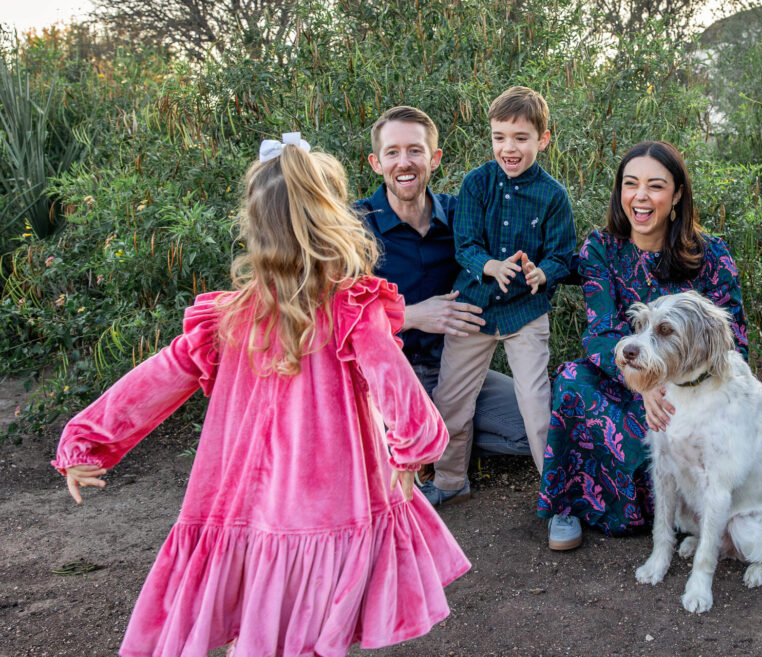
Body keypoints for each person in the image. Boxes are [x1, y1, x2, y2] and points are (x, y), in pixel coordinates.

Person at [52, 134, 470, 657]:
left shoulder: (228, 318)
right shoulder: (353, 309)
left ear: (256, 228)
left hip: (243, 503)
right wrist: (412, 450)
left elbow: (157, 377)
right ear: (332, 221)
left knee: (259, 616)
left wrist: (87, 441)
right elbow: (399, 388)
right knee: (308, 627)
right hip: (330, 506)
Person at [537, 140, 748, 551]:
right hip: (626, 379)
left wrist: (670, 386)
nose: (641, 197)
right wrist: (642, 384)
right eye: (630, 184)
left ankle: (688, 513)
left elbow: (733, 340)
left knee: (677, 427)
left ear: (677, 195)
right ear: (620, 192)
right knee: (570, 380)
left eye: (655, 185)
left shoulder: (712, 255)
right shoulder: (600, 248)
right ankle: (570, 506)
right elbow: (600, 331)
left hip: (690, 391)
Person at [355, 106, 531, 473]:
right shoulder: (354, 227)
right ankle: (418, 440)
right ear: (376, 162)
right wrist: (412, 315)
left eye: (415, 150)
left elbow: (510, 249)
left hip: (455, 370)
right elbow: (330, 316)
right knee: (354, 444)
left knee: (532, 428)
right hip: (386, 375)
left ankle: (433, 440)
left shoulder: (460, 214)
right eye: (392, 152)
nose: (404, 162)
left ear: (434, 158)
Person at [425, 86, 577, 505]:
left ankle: (557, 496)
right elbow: (465, 245)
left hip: (525, 312)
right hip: (472, 307)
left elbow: (562, 255)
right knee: (452, 400)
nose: (508, 148)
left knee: (535, 403)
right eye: (499, 137)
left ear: (542, 140)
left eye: (520, 138)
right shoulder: (476, 183)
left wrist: (540, 273)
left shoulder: (553, 196)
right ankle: (450, 482)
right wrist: (491, 266)